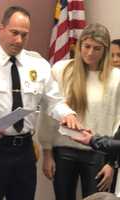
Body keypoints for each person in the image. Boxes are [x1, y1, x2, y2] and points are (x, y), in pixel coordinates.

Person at [0, 5, 81, 200]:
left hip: (25, 151)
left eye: (24, 35)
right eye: (14, 33)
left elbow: (54, 101)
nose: (19, 40)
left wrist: (67, 114)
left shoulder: (38, 65)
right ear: (1, 29)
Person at [38, 23, 120, 200]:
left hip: (98, 155)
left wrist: (112, 164)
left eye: (97, 48)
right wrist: (47, 152)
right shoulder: (61, 70)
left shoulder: (116, 78)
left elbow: (118, 124)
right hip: (64, 151)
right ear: (79, 45)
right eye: (87, 46)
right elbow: (48, 112)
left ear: (105, 50)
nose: (90, 53)